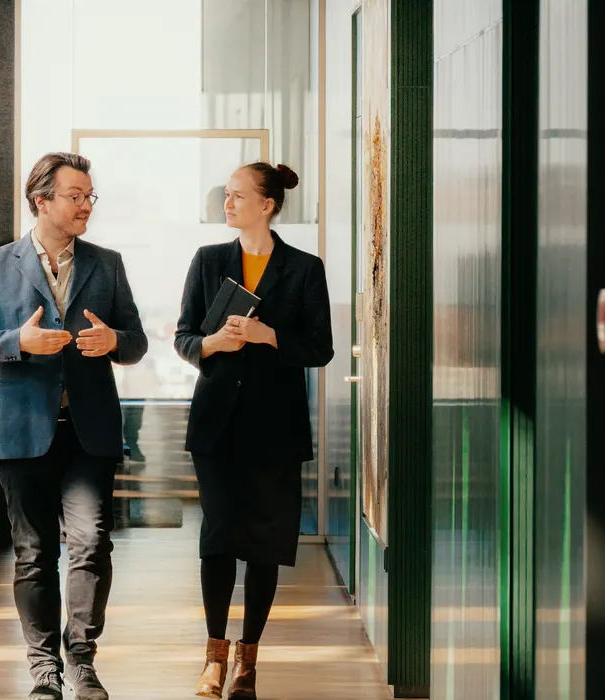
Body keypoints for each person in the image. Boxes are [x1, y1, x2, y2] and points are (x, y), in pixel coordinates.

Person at [0, 152, 147, 700]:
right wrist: (17, 342)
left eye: (89, 197)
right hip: (20, 432)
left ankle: (81, 659)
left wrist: (115, 343)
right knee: (34, 553)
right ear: (42, 201)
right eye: (76, 196)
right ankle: (44, 670)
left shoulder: (106, 263)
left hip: (89, 433)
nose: (86, 205)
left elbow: (136, 339)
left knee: (90, 543)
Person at [172, 162, 332, 699]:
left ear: (267, 204)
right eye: (226, 196)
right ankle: (213, 658)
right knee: (217, 539)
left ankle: (248, 663)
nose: (228, 204)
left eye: (237, 196)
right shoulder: (208, 261)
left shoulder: (305, 269)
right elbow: (184, 337)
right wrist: (213, 344)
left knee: (265, 545)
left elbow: (321, 349)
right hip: (216, 426)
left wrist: (268, 335)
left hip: (276, 429)